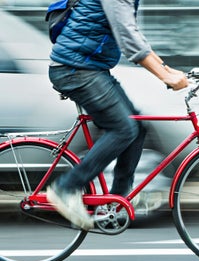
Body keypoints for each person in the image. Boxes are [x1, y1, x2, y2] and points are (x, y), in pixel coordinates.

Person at [46, 0, 188, 230]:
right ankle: (66, 188)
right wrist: (164, 76)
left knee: (137, 127)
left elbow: (132, 33)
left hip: (89, 68)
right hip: (75, 69)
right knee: (124, 129)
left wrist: (166, 68)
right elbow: (128, 39)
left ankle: (116, 202)